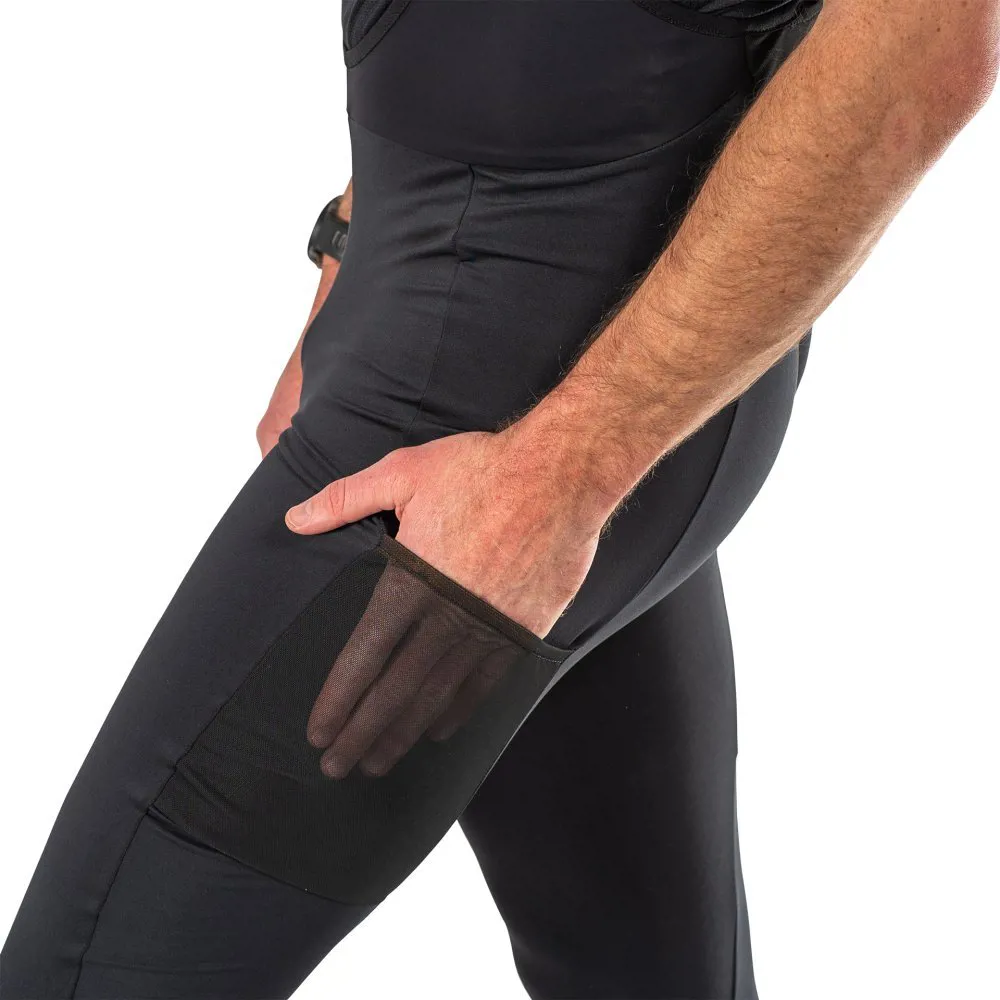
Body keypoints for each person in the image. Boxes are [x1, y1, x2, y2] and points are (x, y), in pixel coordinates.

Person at [2, 2, 996, 998]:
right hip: (517, 374)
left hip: (502, 415)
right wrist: (355, 243)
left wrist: (564, 472)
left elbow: (930, 27)